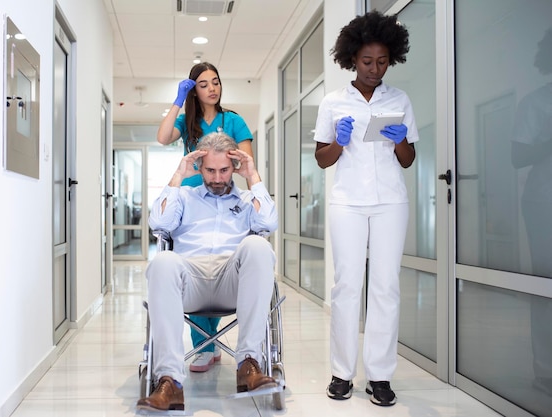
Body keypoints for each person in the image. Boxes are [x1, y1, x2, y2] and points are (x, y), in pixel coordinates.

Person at [313, 11, 418, 407]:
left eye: (382, 62)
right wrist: (339, 142)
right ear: (352, 59)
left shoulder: (400, 100)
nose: (375, 69)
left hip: (391, 201)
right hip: (348, 203)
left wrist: (401, 139)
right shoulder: (333, 101)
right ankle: (342, 372)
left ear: (392, 58)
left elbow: (408, 160)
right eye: (367, 61)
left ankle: (380, 375)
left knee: (386, 286)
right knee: (346, 285)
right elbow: (323, 159)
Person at [136, 132, 278, 412]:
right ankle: (170, 382)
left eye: (224, 170)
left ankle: (249, 364)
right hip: (190, 278)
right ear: (200, 168)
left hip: (232, 280)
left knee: (258, 245)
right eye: (210, 170)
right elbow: (159, 222)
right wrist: (178, 177)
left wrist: (253, 176)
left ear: (234, 167)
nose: (216, 178)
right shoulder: (185, 197)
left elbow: (269, 223)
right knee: (163, 260)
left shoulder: (250, 198)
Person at [157, 62, 255, 373]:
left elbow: (246, 161)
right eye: (203, 84)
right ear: (193, 89)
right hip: (191, 199)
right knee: (191, 256)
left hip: (222, 195)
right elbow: (162, 137)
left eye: (215, 82)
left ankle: (209, 342)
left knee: (220, 254)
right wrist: (177, 101)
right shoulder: (187, 122)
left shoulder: (233, 120)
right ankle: (205, 345)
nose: (212, 88)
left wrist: (256, 193)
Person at [511, 27, 552, 397]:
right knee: (547, 285)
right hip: (545, 202)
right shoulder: (538, 102)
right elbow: (517, 156)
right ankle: (546, 369)